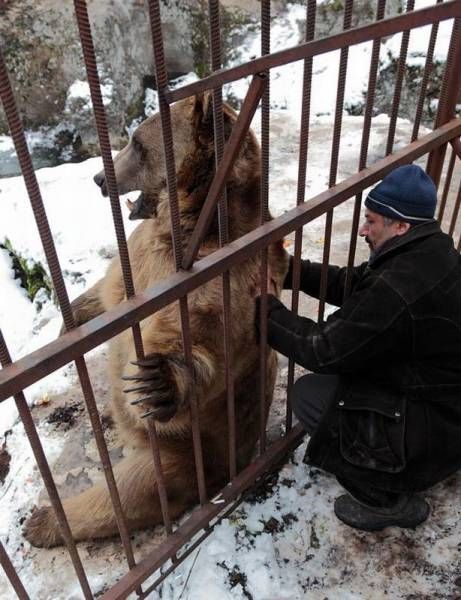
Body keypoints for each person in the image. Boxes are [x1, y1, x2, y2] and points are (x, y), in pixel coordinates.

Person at [256, 164, 461, 531]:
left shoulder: (399, 288)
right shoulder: (429, 249)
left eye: (371, 221)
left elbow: (322, 350)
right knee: (347, 372)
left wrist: (265, 310)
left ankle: (388, 500)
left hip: (439, 430)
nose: (363, 229)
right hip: (443, 405)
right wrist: (291, 272)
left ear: (400, 226)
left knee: (310, 395)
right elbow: (356, 284)